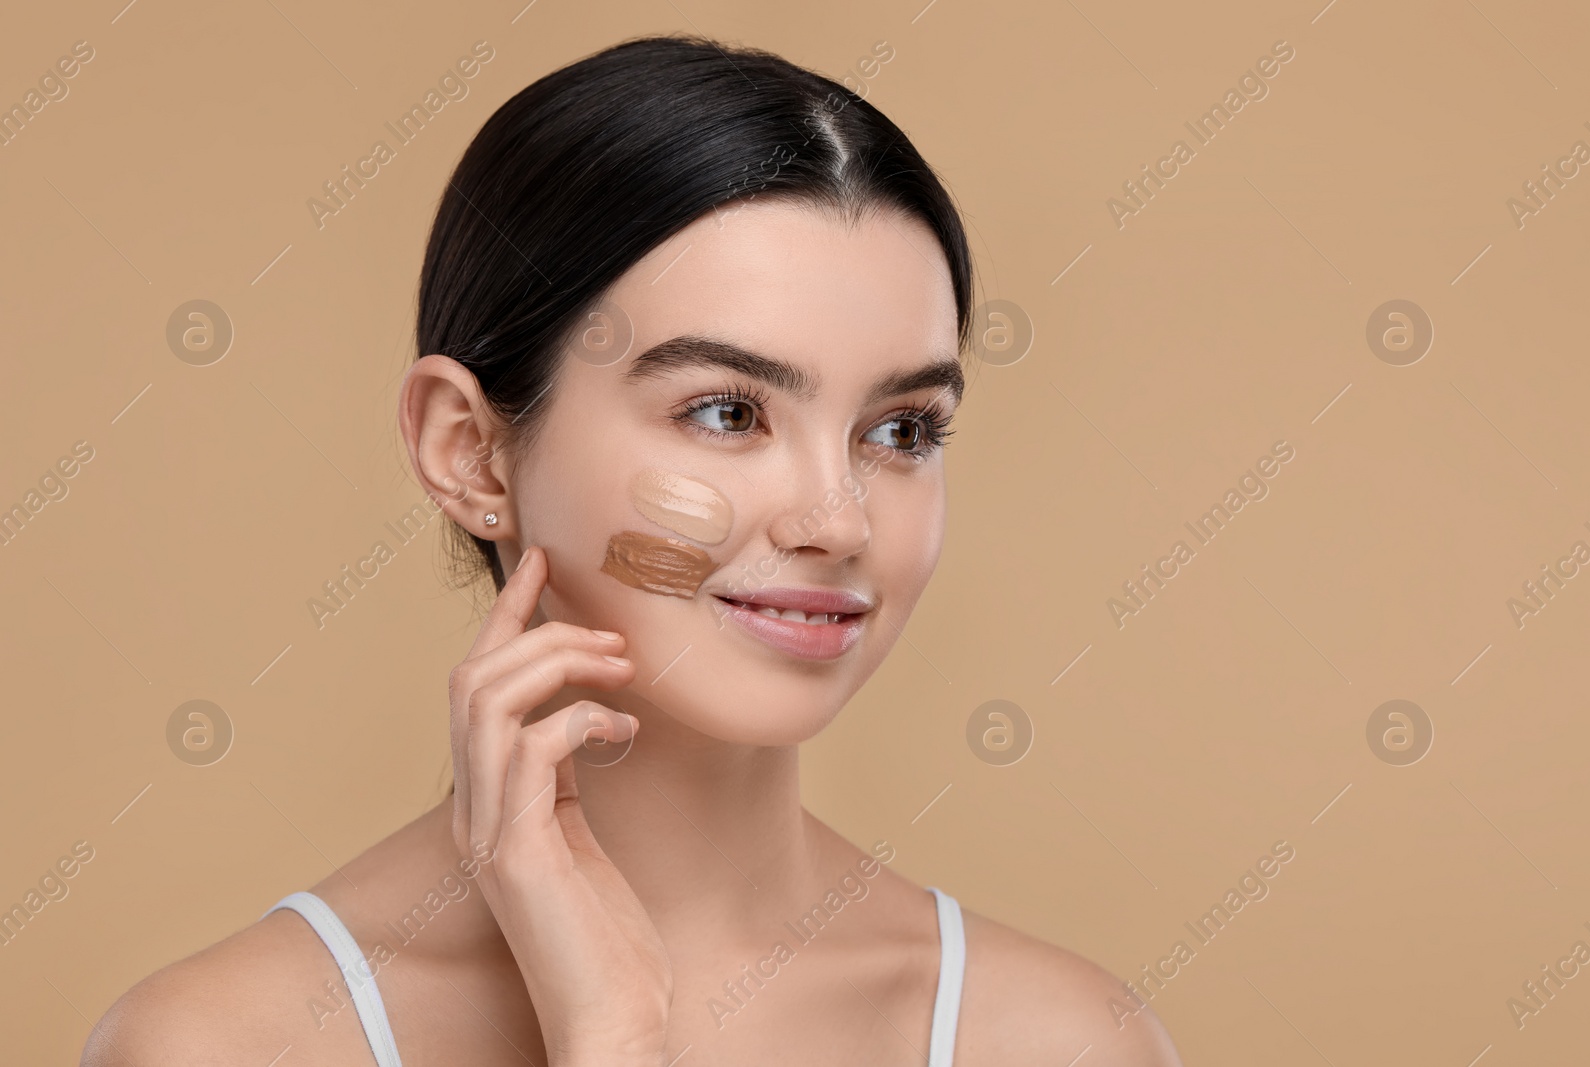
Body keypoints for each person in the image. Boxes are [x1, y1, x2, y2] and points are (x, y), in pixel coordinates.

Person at [84, 33, 1181, 1065]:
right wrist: (608, 1027)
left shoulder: (1049, 1036)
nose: (838, 521)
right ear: (470, 450)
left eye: (901, 430)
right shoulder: (235, 1040)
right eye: (725, 412)